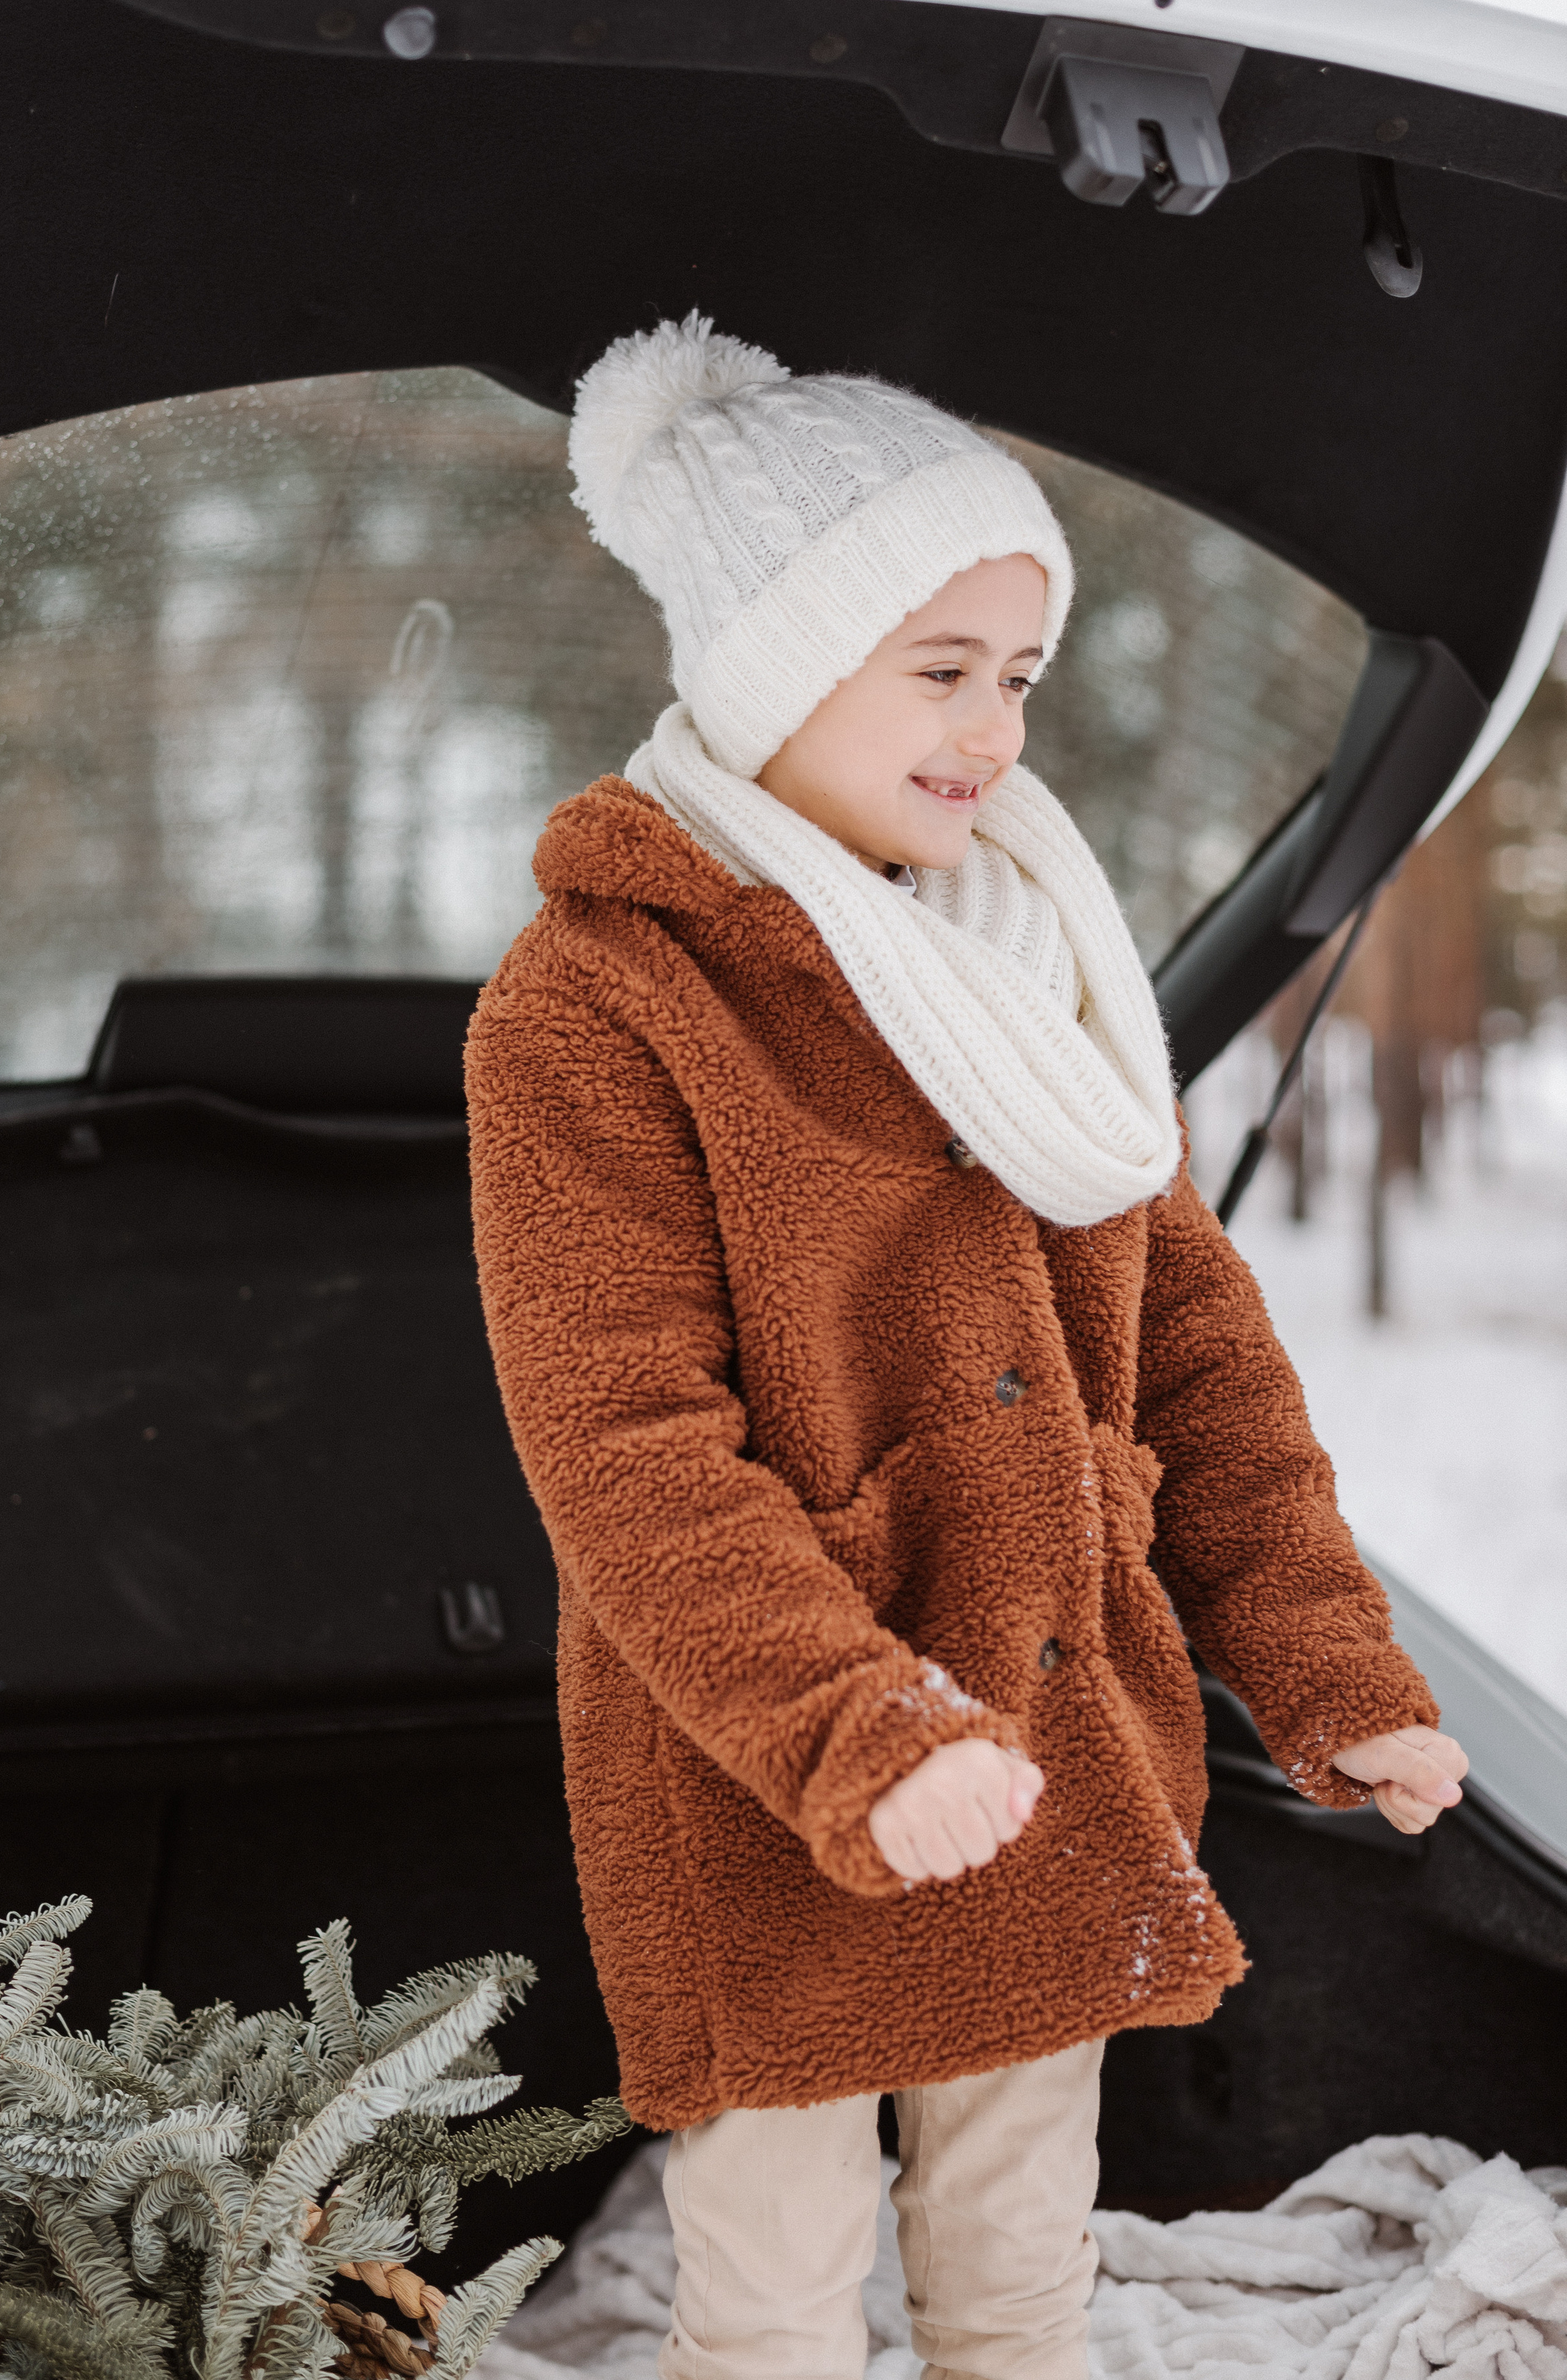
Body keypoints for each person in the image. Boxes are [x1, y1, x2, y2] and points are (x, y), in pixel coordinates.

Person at [465, 315, 1467, 2380]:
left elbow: (1202, 1362)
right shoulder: (596, 1004)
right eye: (940, 670)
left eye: (1020, 675)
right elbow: (625, 1445)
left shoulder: (1030, 963)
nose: (995, 730)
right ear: (767, 660)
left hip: (1057, 1726)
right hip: (780, 1765)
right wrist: (860, 1731)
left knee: (1023, 2248)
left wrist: (1326, 1668)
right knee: (778, 2271)